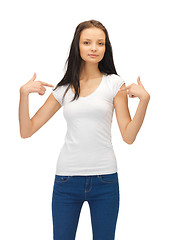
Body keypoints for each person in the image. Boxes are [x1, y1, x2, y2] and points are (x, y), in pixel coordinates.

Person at [19, 19, 150, 240]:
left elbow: (128, 136)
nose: (94, 48)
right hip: (66, 179)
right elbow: (27, 130)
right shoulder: (64, 89)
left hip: (105, 179)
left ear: (106, 48)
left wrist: (144, 100)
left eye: (100, 43)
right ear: (77, 46)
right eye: (87, 42)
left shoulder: (115, 84)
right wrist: (23, 94)